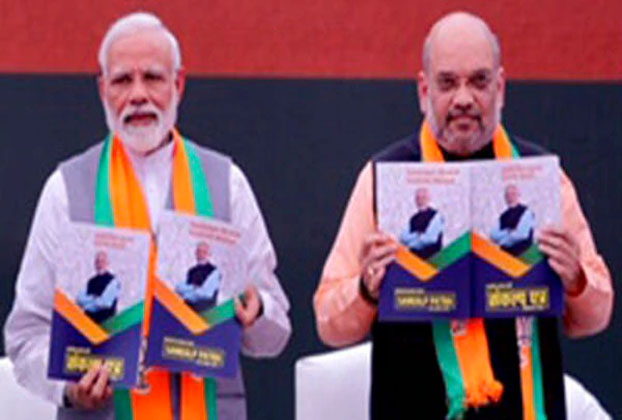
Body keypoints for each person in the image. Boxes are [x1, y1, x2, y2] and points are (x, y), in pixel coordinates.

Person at [314, 11, 613, 420]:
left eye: (479, 81)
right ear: (424, 91)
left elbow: (597, 315)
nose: (464, 99)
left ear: (500, 88)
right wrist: (366, 289)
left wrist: (575, 278)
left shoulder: (542, 177)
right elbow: (328, 322)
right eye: (447, 83)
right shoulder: (382, 178)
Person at [4, 12, 291, 420]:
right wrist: (68, 388)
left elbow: (275, 335)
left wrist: (257, 311)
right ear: (103, 90)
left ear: (178, 84)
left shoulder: (226, 183)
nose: (138, 95)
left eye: (153, 77)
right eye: (122, 80)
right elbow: (25, 336)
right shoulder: (66, 190)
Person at [399, 187, 445, 258]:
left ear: (428, 199)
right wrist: (418, 235)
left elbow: (430, 239)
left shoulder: (436, 216)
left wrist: (410, 245)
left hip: (432, 258)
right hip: (414, 257)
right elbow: (403, 237)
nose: (420, 200)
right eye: (418, 198)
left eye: (423, 197)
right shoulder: (413, 218)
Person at [490, 184, 535, 256]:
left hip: (523, 255)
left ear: (518, 195)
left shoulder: (526, 212)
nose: (510, 196)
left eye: (513, 194)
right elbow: (494, 235)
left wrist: (502, 241)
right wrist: (508, 231)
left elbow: (521, 235)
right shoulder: (503, 216)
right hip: (504, 254)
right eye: (507, 194)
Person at [175, 242, 221, 312]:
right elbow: (179, 288)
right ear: (195, 253)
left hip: (205, 309)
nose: (201, 254)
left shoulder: (214, 271)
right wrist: (193, 287)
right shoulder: (191, 271)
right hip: (189, 305)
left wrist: (187, 295)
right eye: (199, 251)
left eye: (204, 252)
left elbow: (206, 294)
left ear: (209, 255)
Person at [77, 251, 121, 323]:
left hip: (106, 323)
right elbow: (80, 299)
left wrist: (87, 306)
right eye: (97, 262)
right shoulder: (91, 281)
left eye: (102, 261)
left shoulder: (113, 281)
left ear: (107, 263)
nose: (100, 264)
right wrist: (94, 299)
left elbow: (105, 303)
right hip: (88, 321)